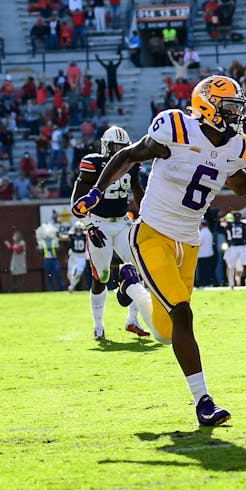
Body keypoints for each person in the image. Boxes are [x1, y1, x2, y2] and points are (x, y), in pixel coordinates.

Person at [72, 75, 246, 425]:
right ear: (207, 106)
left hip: (189, 241)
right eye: (229, 108)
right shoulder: (175, 127)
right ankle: (203, 402)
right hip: (152, 233)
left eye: (237, 108)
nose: (236, 115)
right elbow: (129, 155)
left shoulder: (238, 146)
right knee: (183, 314)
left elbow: (243, 184)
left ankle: (130, 286)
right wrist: (97, 190)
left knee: (165, 330)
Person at [70, 126, 150, 340]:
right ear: (106, 146)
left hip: (123, 222)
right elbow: (76, 202)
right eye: (116, 146)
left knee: (137, 269)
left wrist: (146, 214)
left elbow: (137, 191)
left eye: (123, 146)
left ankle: (133, 320)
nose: (120, 150)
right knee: (101, 277)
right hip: (99, 223)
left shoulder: (131, 164)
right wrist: (89, 225)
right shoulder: (93, 163)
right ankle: (98, 325)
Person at [222, 211, 246, 288]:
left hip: (235, 246)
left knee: (238, 265)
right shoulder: (243, 225)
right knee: (238, 265)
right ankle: (234, 283)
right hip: (239, 246)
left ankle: (233, 283)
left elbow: (225, 233)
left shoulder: (229, 225)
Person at [64, 221, 90, 292]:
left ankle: (71, 287)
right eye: (77, 229)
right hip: (73, 256)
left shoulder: (85, 236)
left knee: (78, 273)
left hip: (82, 256)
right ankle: (72, 285)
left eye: (79, 229)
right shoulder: (71, 236)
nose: (78, 231)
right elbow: (64, 238)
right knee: (70, 274)